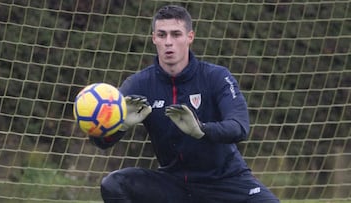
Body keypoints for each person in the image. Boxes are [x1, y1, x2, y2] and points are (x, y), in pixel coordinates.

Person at [90, 4, 280, 203]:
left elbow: (239, 127)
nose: (168, 42)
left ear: (190, 37)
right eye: (162, 35)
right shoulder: (138, 85)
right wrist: (120, 125)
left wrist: (201, 130)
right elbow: (100, 142)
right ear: (154, 38)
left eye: (176, 34)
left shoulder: (216, 77)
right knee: (114, 184)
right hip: (175, 185)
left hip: (227, 181)